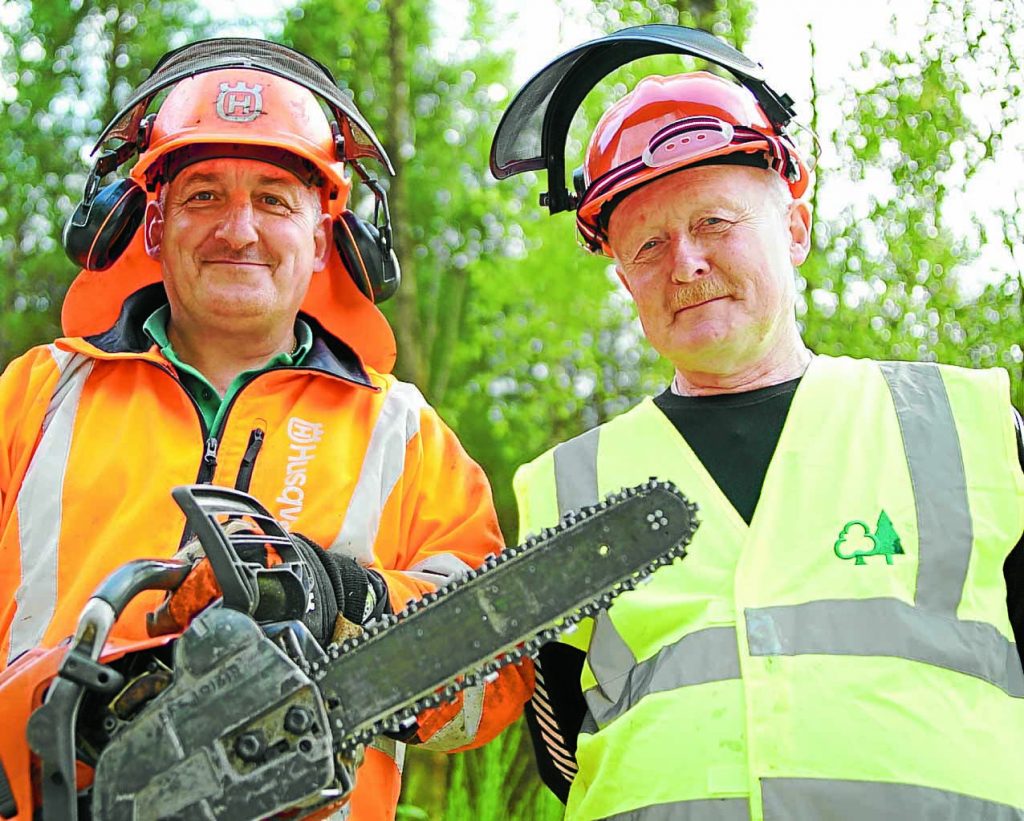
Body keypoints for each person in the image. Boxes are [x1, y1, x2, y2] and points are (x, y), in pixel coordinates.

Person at [0, 39, 530, 821]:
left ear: (323, 237)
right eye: (203, 195)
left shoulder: (402, 430)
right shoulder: (37, 396)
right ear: (150, 226)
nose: (238, 230)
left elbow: (494, 681)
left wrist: (344, 597)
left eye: (275, 199)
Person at [508, 45, 1024, 820]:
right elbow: (557, 737)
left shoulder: (967, 425)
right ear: (622, 275)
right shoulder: (565, 485)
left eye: (714, 221)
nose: (684, 264)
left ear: (795, 229)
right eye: (647, 244)